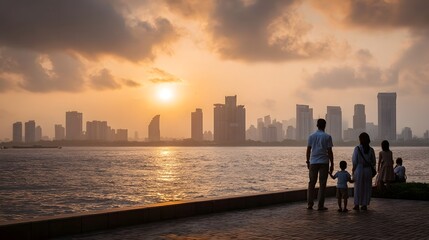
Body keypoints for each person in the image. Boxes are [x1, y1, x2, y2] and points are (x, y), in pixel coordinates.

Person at [306, 118, 334, 211]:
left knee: (311, 183)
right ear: (325, 126)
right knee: (322, 184)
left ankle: (310, 204)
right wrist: (332, 163)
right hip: (324, 162)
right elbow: (330, 152)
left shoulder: (311, 136)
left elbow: (308, 150)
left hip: (313, 162)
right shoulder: (327, 136)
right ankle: (320, 206)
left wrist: (307, 161)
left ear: (317, 125)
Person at [352, 132, 376, 211]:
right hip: (368, 170)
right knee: (367, 187)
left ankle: (357, 204)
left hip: (359, 169)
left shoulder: (357, 148)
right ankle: (364, 205)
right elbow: (374, 162)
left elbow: (355, 161)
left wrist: (353, 170)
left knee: (358, 187)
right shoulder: (371, 150)